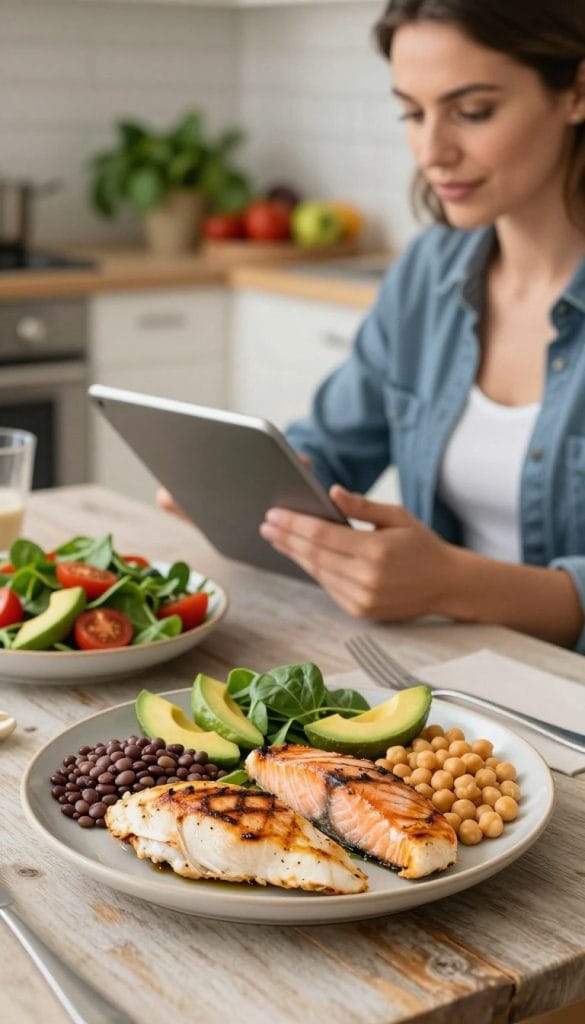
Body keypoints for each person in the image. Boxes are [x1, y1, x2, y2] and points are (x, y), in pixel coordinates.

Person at [161, 0, 585, 652]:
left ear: (575, 91)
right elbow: (332, 447)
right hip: (459, 667)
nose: (431, 151)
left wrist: (451, 584)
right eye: (413, 113)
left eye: (472, 112)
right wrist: (251, 488)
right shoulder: (428, 270)